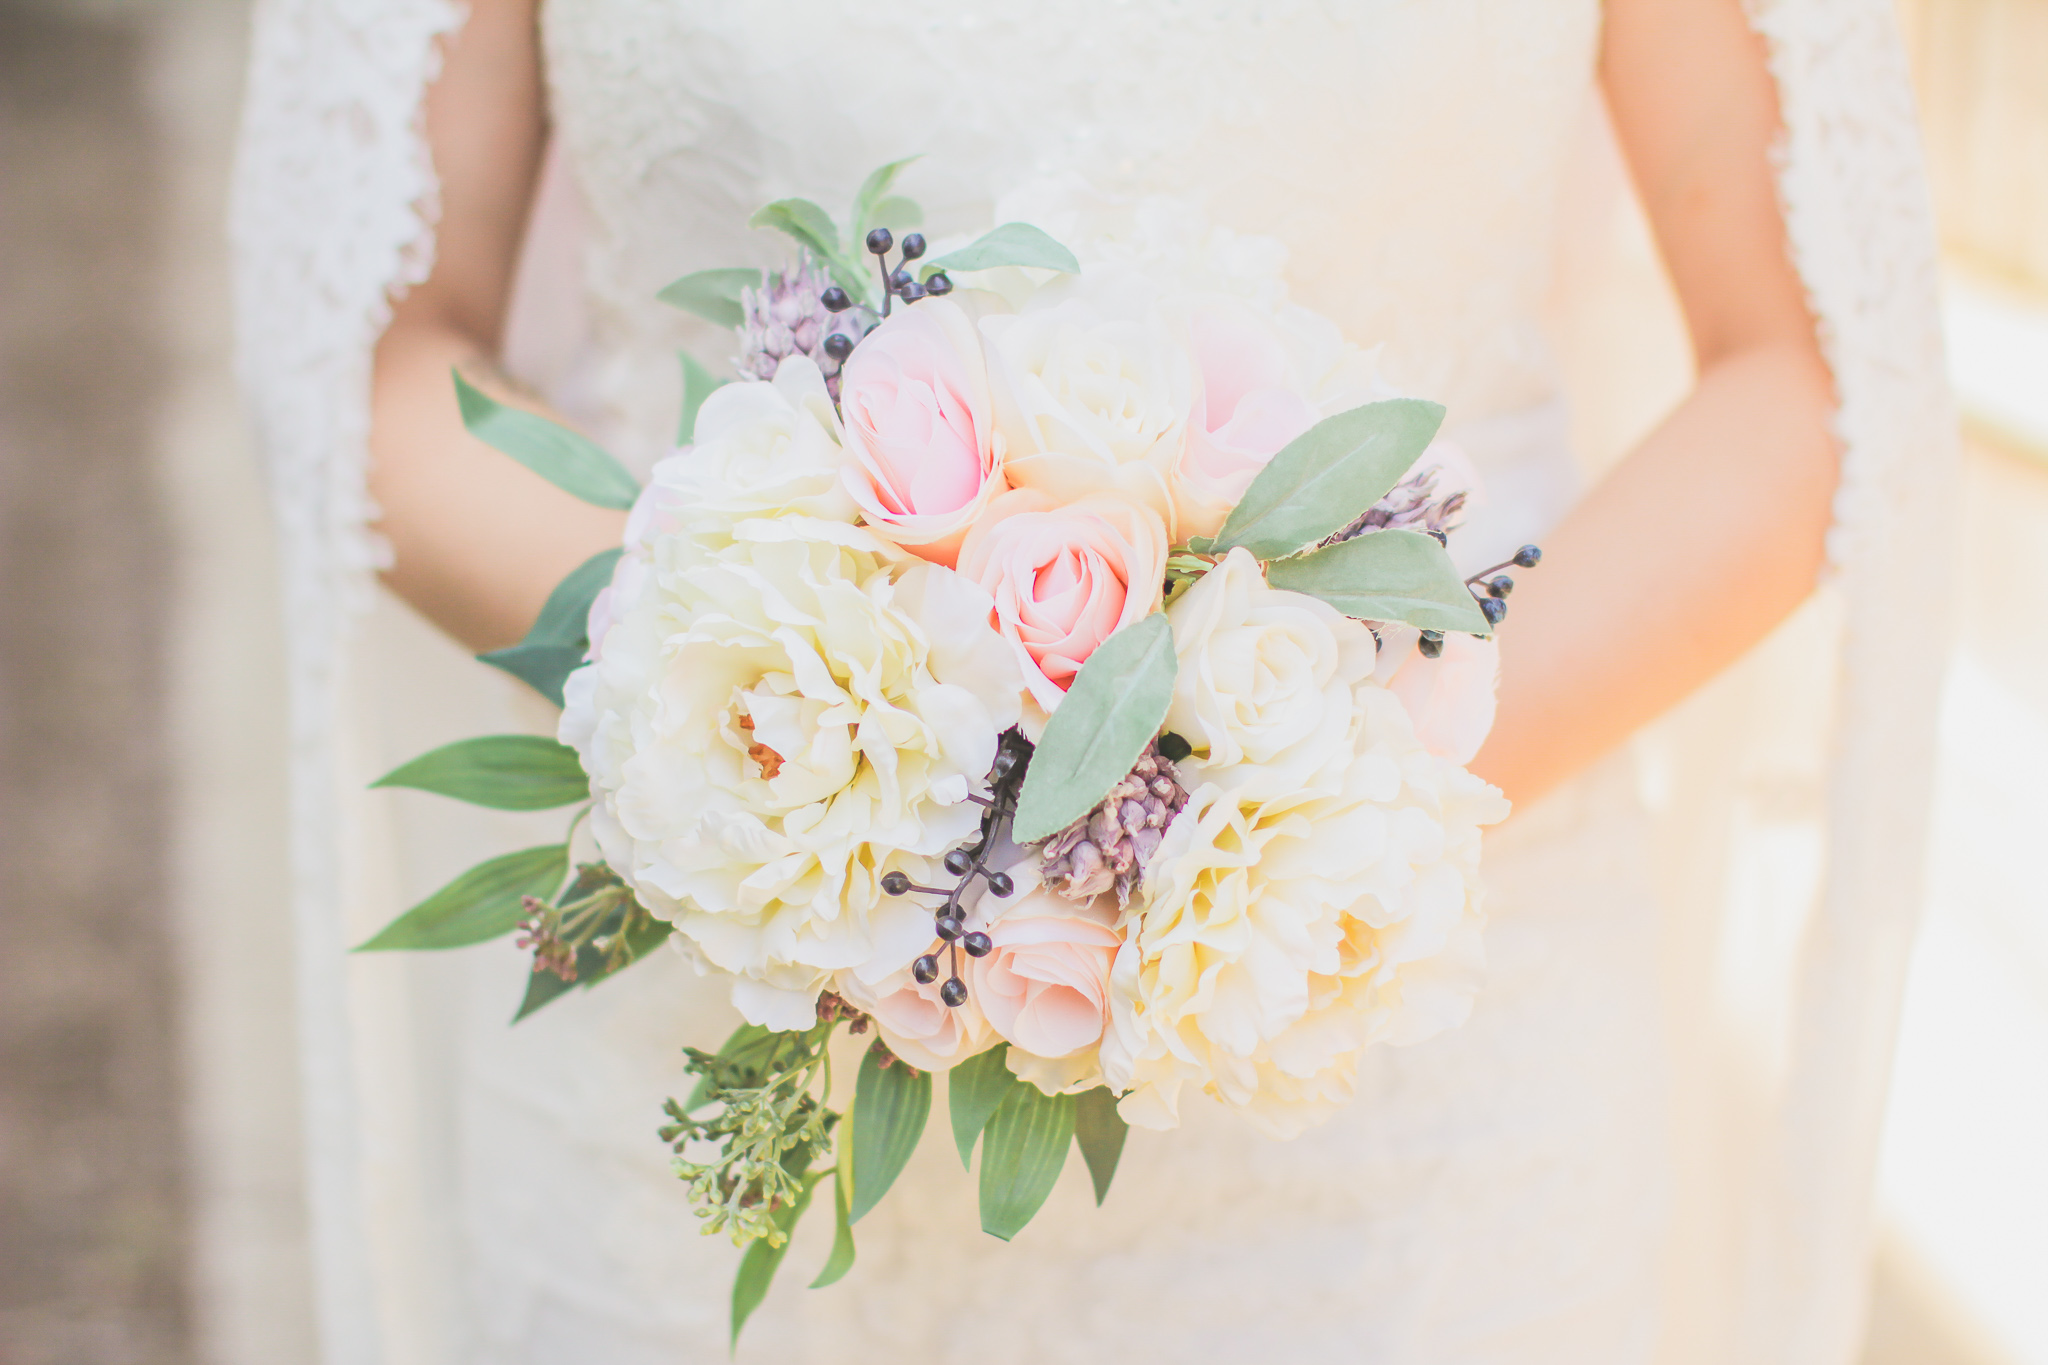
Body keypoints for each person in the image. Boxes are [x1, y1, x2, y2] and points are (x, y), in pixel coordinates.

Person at [231, 0, 1954, 1360]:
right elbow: (365, 347)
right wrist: (799, 725)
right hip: (732, 1024)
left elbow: (1801, 377)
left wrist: (1310, 807)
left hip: (1409, 1090)